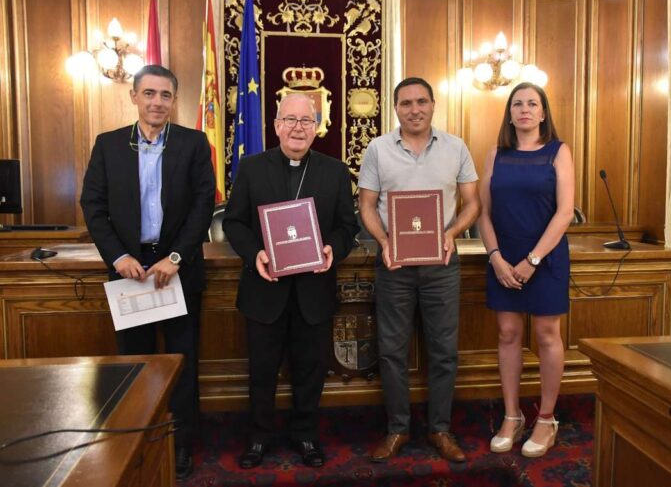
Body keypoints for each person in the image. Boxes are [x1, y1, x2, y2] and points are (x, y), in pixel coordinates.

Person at [80, 65, 216, 479]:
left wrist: (175, 258)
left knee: (181, 360)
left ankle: (181, 443)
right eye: (149, 94)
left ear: (174, 100)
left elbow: (202, 205)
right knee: (134, 362)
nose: (157, 102)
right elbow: (93, 206)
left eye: (165, 95)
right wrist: (118, 256)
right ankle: (137, 439)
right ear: (134, 97)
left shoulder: (193, 143)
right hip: (129, 272)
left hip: (177, 270)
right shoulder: (108, 145)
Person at [222, 93, 358, 468]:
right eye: (291, 120)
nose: (298, 128)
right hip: (265, 288)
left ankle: (306, 435)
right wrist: (256, 254)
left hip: (314, 291)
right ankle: (259, 437)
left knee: (311, 369)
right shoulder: (251, 168)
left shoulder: (334, 171)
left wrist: (332, 248)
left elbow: (349, 226)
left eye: (306, 121)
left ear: (316, 128)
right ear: (277, 125)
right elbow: (233, 222)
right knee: (262, 369)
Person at [358, 77, 480, 463]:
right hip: (394, 264)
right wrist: (385, 242)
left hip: (441, 265)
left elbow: (473, 203)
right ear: (395, 109)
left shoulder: (456, 146)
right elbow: (366, 206)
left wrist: (452, 233)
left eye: (421, 102)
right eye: (406, 103)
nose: (414, 109)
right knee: (391, 351)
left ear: (433, 105)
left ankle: (440, 430)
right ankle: (397, 430)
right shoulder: (378, 149)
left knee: (443, 351)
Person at [476, 82, 574, 458]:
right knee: (507, 332)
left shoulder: (558, 151)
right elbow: (483, 213)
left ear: (543, 112)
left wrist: (532, 260)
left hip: (545, 256)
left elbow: (565, 212)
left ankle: (546, 419)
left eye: (532, 103)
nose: (525, 109)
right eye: (517, 103)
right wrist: (496, 257)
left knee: (547, 333)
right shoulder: (495, 155)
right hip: (504, 256)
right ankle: (512, 416)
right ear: (510, 112)